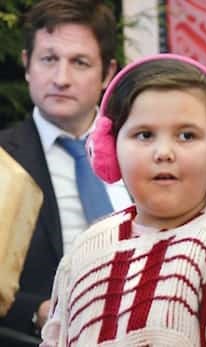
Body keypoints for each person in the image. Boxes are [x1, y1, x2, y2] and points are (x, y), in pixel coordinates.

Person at [39, 54, 206, 346]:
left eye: (186, 135)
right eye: (144, 135)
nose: (163, 152)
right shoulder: (87, 250)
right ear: (108, 149)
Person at [0, 0, 131, 342]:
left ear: (107, 73)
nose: (61, 78)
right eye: (48, 59)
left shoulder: (138, 152)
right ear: (27, 65)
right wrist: (35, 312)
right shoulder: (3, 160)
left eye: (80, 62)